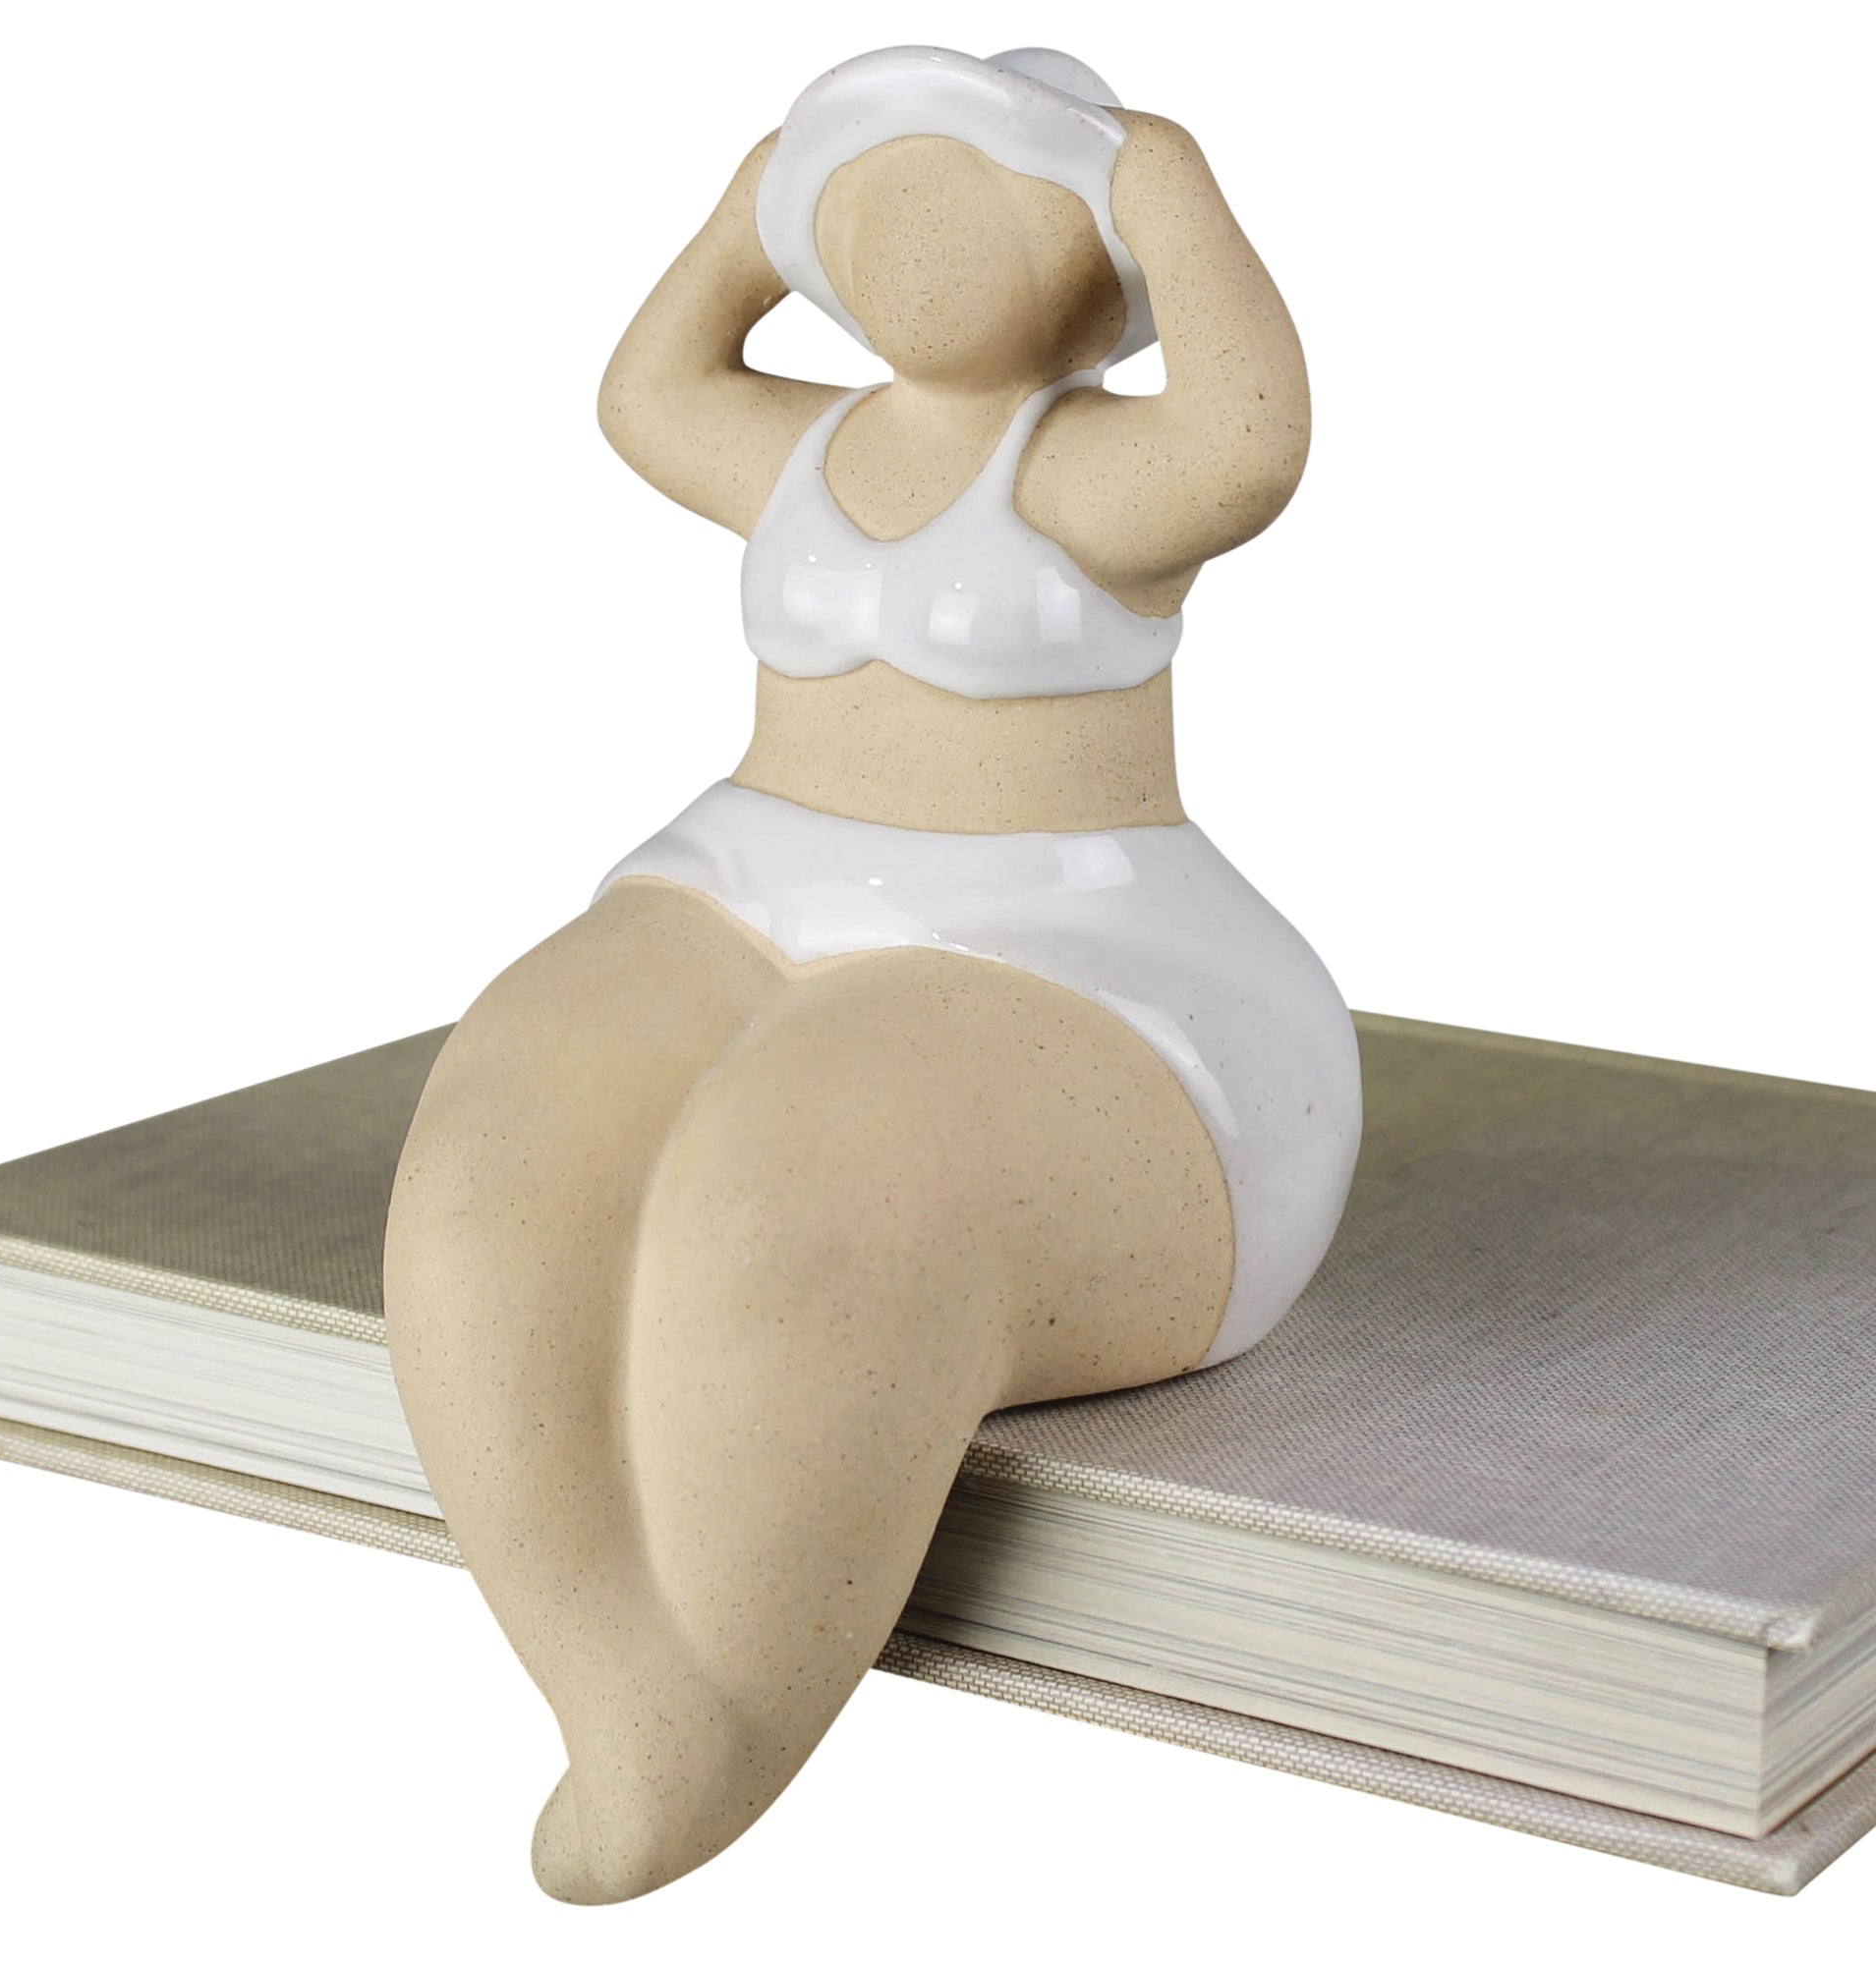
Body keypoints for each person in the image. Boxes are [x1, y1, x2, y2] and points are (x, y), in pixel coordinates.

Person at [383, 45, 1360, 1903]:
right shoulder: (809, 451)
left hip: (1067, 936)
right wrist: (747, 204)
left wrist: (1164, 178)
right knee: (499, 1165)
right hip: (750, 876)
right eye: (864, 193)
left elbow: (1252, 438)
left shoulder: (1092, 470)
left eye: (970, 193)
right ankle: (619, 1690)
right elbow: (642, 390)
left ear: (1085, 249)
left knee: (800, 1185)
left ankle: (722, 1710)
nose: (907, 234)